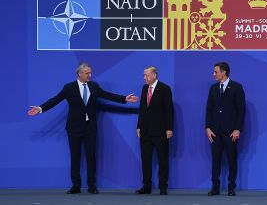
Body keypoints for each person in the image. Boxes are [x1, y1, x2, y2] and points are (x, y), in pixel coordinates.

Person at [28, 62, 138, 194]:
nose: (90, 75)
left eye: (90, 73)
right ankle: (76, 186)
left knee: (91, 156)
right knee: (75, 157)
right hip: (74, 128)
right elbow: (55, 99)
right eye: (87, 73)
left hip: (90, 128)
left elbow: (107, 95)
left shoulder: (94, 86)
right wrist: (40, 108)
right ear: (79, 73)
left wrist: (124, 98)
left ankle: (92, 186)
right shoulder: (69, 87)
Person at [205, 62, 245, 196]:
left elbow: (241, 110)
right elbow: (209, 109)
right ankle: (215, 187)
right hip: (215, 132)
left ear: (224, 72)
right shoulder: (213, 88)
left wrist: (237, 129)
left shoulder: (237, 87)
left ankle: (231, 188)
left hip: (230, 132)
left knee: (232, 160)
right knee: (215, 160)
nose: (214, 74)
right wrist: (208, 127)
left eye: (216, 72)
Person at [136, 66, 174, 195]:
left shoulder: (164, 89)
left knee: (162, 160)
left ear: (154, 75)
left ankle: (163, 187)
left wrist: (169, 128)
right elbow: (142, 109)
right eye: (144, 75)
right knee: (145, 160)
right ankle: (146, 186)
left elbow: (169, 110)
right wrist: (139, 126)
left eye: (146, 75)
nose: (144, 78)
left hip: (160, 131)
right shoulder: (144, 88)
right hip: (145, 131)